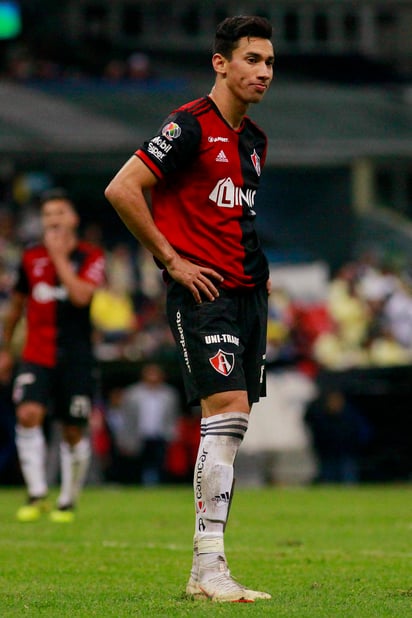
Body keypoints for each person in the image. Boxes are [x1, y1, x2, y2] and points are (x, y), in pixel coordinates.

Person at [105, 15, 274, 602]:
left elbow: (233, 216)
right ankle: (208, 567)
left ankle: (209, 569)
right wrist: (171, 261)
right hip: (204, 293)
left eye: (270, 62)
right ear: (220, 63)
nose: (264, 72)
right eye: (252, 59)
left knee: (234, 423)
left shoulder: (253, 141)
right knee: (224, 411)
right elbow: (123, 187)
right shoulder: (188, 126)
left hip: (250, 294)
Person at [1, 188, 105, 522]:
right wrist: (5, 350)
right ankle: (35, 493)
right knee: (28, 414)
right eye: (47, 215)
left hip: (76, 357)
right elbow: (16, 307)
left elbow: (80, 297)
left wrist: (59, 257)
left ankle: (67, 499)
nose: (54, 220)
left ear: (73, 219)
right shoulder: (30, 258)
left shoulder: (91, 257)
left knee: (73, 429)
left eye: (60, 213)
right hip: (36, 352)